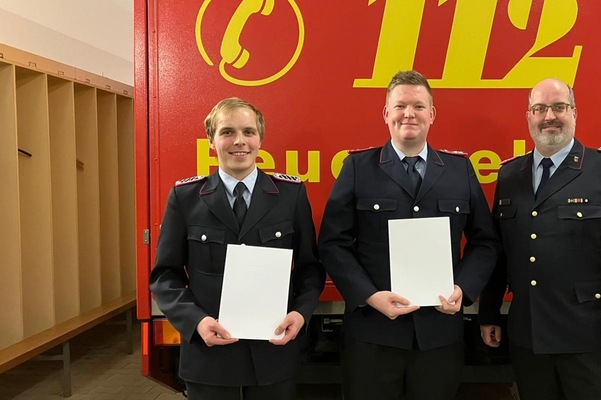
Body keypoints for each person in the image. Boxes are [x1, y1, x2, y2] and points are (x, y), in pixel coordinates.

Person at [318, 70, 498, 400]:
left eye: (418, 106)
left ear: (432, 114)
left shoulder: (461, 171)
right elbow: (333, 243)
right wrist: (370, 296)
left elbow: (485, 242)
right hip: (373, 333)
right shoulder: (358, 168)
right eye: (400, 106)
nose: (409, 114)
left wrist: (464, 289)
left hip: (439, 334)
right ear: (386, 114)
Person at [478, 78, 601, 400]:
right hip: (529, 337)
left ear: (574, 114)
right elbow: (501, 251)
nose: (549, 116)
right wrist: (489, 312)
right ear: (528, 116)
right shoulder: (510, 174)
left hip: (590, 339)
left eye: (559, 107)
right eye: (540, 108)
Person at [149, 97, 325, 400]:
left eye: (248, 132)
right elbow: (165, 276)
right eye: (227, 132)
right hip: (209, 357)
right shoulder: (186, 198)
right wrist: (197, 322)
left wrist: (300, 313)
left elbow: (310, 268)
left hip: (273, 354)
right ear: (211, 141)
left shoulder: (290, 195)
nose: (239, 141)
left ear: (260, 139)